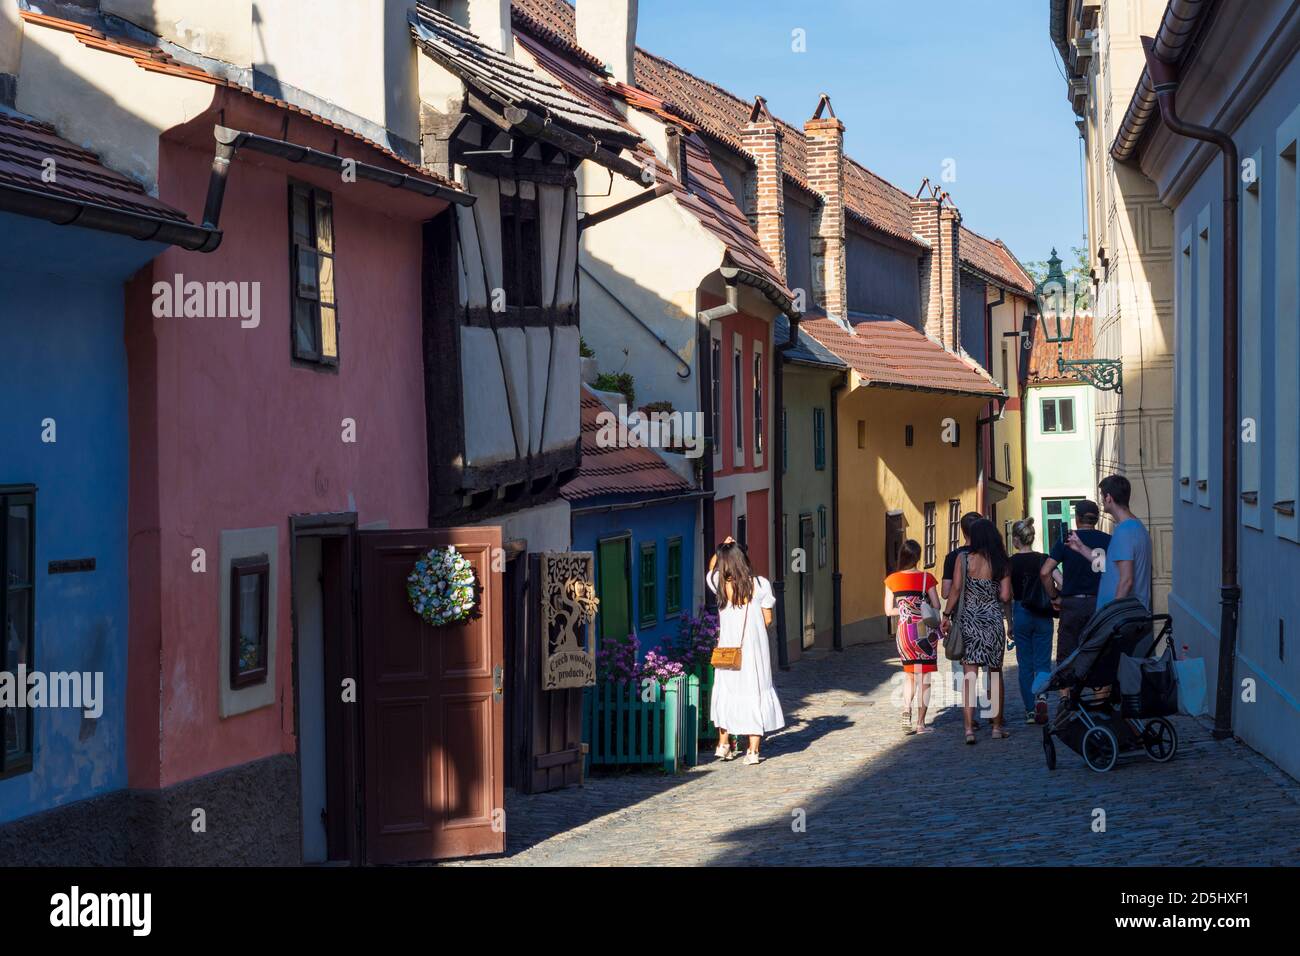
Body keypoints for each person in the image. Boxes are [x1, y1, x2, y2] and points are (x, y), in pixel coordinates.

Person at [707, 537, 784, 764]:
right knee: (755, 692)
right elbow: (767, 618)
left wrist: (722, 546)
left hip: (727, 650)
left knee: (727, 692)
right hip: (752, 650)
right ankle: (752, 752)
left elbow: (711, 567)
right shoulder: (759, 585)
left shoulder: (718, 583)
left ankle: (723, 745)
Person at [942, 518, 1012, 744]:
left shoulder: (963, 559)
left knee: (969, 678)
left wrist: (946, 615)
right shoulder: (1001, 562)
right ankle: (996, 727)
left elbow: (955, 589)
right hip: (992, 621)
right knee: (994, 675)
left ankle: (969, 730)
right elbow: (1004, 596)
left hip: (968, 622)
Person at [1041, 500, 1110, 679]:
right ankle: (1099, 697)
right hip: (1099, 603)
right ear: (1095, 519)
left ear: (1077, 518)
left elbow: (1045, 572)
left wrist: (1054, 596)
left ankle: (1066, 699)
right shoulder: (1107, 539)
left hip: (1072, 604)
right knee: (1099, 653)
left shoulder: (1068, 539)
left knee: (1066, 655)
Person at [1067, 475, 1152, 611]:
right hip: (1129, 618)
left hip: (1122, 621)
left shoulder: (1125, 531)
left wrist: (1112, 616)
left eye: (1102, 497)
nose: (1102, 501)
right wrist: (1081, 548)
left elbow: (1126, 581)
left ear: (1108, 498)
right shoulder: (1135, 527)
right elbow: (1110, 565)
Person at [884, 540, 941, 736]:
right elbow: (936, 605)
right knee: (924, 679)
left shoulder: (891, 579)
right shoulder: (927, 578)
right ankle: (920, 723)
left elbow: (888, 610)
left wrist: (904, 610)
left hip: (904, 631)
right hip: (922, 631)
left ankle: (906, 710)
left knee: (910, 676)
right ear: (917, 557)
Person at [1008, 517, 1053, 725]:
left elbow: (1006, 596)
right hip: (1043, 612)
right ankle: (1042, 697)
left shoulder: (1010, 563)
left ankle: (1029, 711)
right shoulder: (1043, 559)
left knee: (1025, 664)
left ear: (1016, 540)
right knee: (1043, 661)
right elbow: (1059, 580)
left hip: (1021, 612)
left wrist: (1009, 621)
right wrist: (1056, 598)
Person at [941, 511, 984, 601]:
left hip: (961, 611)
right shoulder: (990, 555)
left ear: (963, 532)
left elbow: (945, 593)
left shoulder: (952, 557)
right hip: (988, 611)